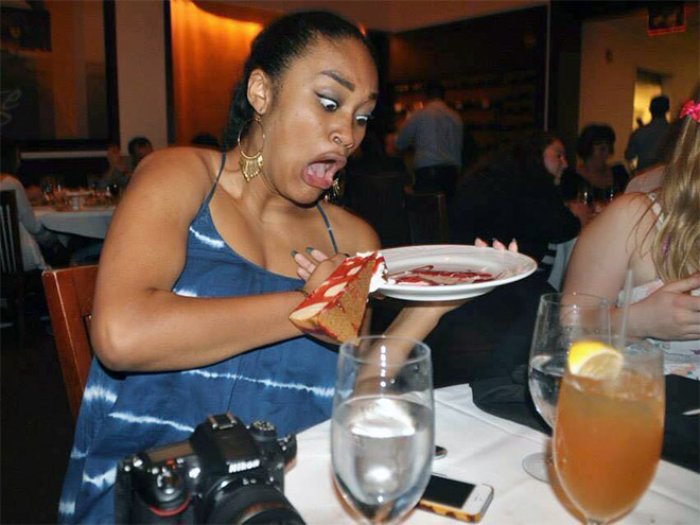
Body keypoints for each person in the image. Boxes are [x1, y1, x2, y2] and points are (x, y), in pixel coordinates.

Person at [58, 12, 474, 523]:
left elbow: (351, 396)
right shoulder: (182, 177)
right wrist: (309, 307)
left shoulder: (351, 239)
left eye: (362, 117)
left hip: (287, 500)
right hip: (159, 500)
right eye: (329, 102)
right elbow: (122, 335)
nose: (347, 134)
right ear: (261, 92)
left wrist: (431, 307)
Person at [563, 97, 700, 379]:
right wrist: (639, 321)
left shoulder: (616, 174)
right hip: (640, 398)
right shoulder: (634, 216)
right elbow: (564, 331)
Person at [394, 82, 463, 199]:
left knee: (427, 207)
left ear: (425, 96)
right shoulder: (455, 117)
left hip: (427, 171)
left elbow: (400, 142)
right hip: (452, 173)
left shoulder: (420, 115)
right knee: (448, 207)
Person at [559, 123, 629, 209]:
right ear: (587, 146)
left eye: (607, 143)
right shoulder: (571, 177)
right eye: (597, 143)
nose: (603, 147)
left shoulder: (619, 173)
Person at [625, 94, 671, 173]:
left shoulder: (639, 132)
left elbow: (629, 156)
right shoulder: (675, 132)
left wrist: (634, 173)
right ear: (667, 109)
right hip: (666, 176)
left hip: (644, 175)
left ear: (650, 109)